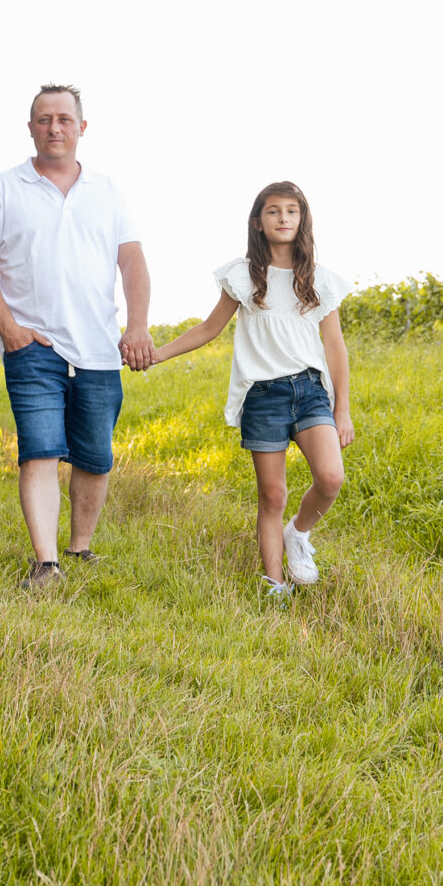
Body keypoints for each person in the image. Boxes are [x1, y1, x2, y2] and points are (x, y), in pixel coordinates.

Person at [0, 84, 153, 589]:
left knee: (94, 454)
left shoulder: (107, 191)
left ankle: (80, 547)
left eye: (64, 119)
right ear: (30, 128)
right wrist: (8, 328)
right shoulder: (4, 187)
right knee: (39, 449)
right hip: (33, 346)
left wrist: (136, 325)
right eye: (44, 119)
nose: (54, 128)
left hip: (97, 347)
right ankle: (46, 563)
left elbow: (131, 260)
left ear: (82, 127)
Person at [149, 181, 356, 596]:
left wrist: (343, 409)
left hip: (310, 390)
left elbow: (335, 347)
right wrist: (158, 354)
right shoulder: (243, 276)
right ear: (258, 222)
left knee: (331, 478)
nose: (283, 218)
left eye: (292, 211)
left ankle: (298, 534)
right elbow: (210, 328)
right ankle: (275, 584)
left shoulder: (320, 280)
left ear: (302, 219)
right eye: (274, 211)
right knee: (272, 495)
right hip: (263, 397)